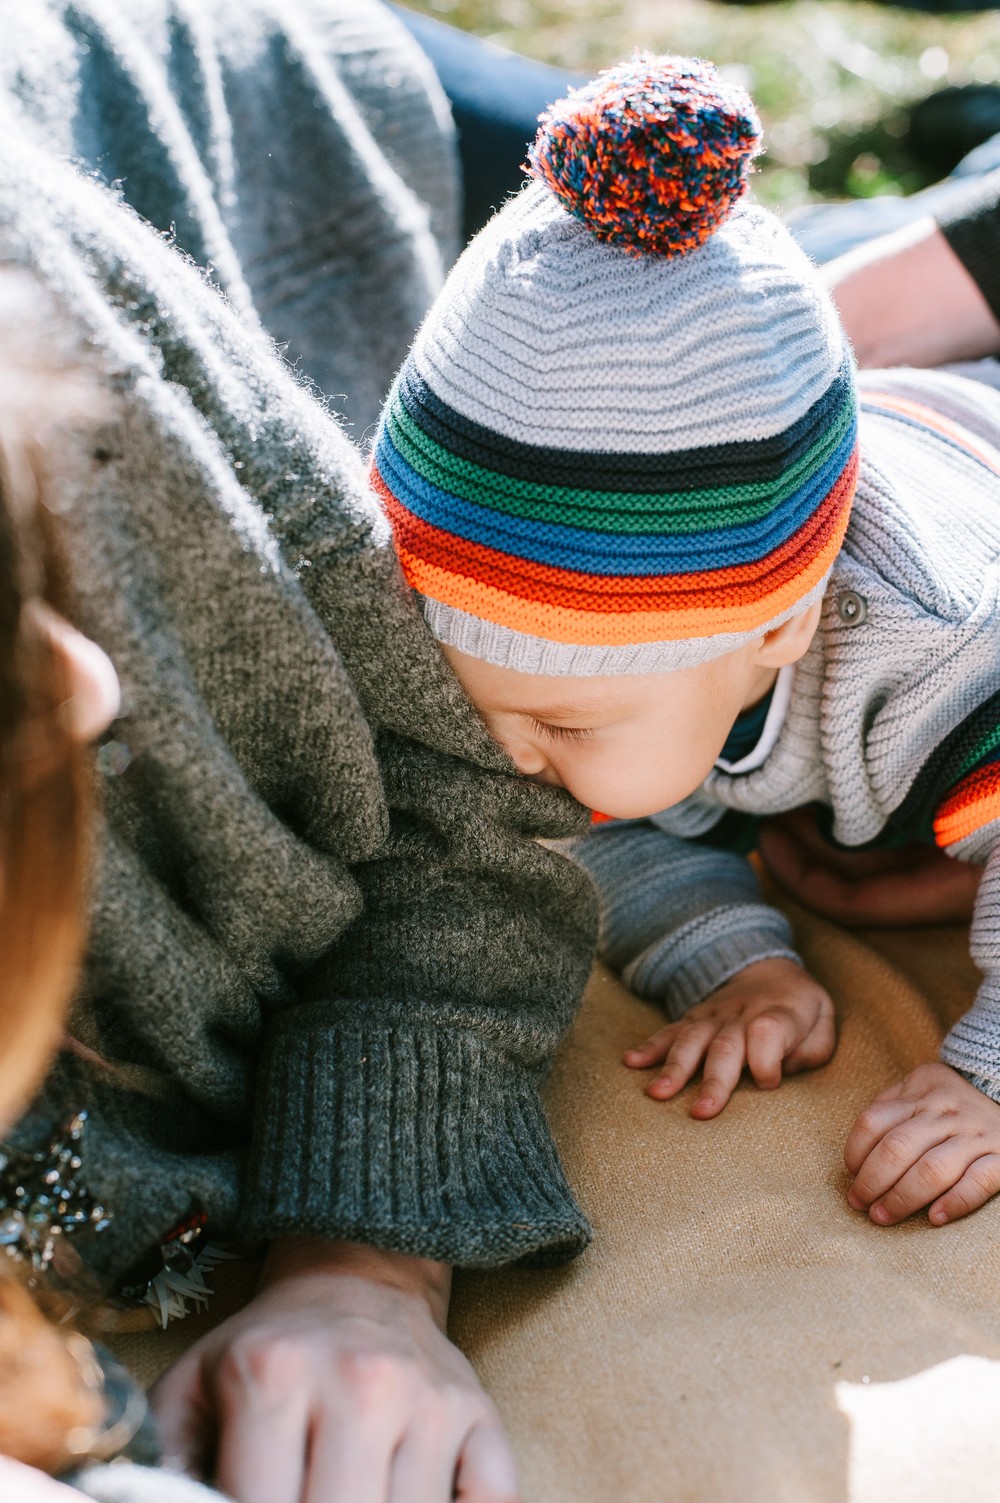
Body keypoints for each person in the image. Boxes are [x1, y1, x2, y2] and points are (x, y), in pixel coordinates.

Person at [0, 4, 600, 1500]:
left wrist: (369, 1253)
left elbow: (456, 793)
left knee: (777, 292)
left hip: (270, 118)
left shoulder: (72, 391)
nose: (88, 691)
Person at [371, 53, 1000, 1242]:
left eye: (557, 726)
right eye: (479, 707)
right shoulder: (609, 690)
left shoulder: (939, 650)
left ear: (778, 627)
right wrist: (729, 958)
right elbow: (622, 831)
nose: (505, 758)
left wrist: (987, 1077)